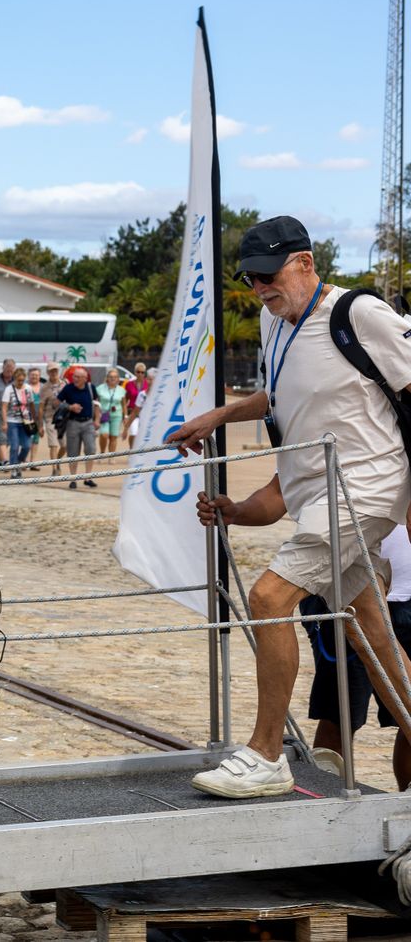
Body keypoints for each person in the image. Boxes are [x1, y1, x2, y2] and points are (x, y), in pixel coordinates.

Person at [175, 214, 411, 798]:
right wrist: (220, 415)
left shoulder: (360, 313)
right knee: (369, 631)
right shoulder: (272, 321)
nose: (259, 288)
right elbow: (280, 394)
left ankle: (265, 755)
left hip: (366, 486)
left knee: (269, 597)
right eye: (250, 279)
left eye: (268, 275)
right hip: (314, 494)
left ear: (305, 262)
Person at [297, 520, 411, 790]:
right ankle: (328, 800)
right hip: (345, 595)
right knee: (339, 713)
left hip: (405, 598)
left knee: (407, 712)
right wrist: (236, 511)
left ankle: (406, 804)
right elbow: (274, 500)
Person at [58, 366, 97, 489]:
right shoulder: (68, 388)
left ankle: (88, 477)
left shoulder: (91, 388)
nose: (75, 379)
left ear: (85, 378)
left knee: (91, 449)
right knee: (73, 452)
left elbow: (97, 404)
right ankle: (73, 478)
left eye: (78, 377)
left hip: (88, 423)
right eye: (74, 376)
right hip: (72, 423)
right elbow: (56, 402)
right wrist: (70, 407)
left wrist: (97, 419)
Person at [2, 367, 37, 478]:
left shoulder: (28, 388)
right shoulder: (9, 389)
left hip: (26, 421)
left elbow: (31, 404)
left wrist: (34, 419)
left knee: (27, 446)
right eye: (18, 380)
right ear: (15, 379)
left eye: (22, 380)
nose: (20, 382)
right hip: (12, 421)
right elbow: (4, 407)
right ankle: (14, 469)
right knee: (14, 446)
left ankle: (18, 462)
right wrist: (4, 422)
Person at [96, 368, 127, 456]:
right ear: (107, 378)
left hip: (116, 414)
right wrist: (96, 415)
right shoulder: (100, 388)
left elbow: (124, 404)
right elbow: (96, 403)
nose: (113, 379)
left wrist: (125, 416)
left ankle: (111, 456)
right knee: (104, 434)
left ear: (118, 379)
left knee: (113, 436)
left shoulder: (121, 390)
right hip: (104, 414)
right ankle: (102, 453)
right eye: (111, 377)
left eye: (115, 377)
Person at [41, 364, 65, 462]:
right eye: (51, 371)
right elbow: (41, 407)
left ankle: (57, 461)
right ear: (48, 373)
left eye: (55, 370)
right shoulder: (44, 388)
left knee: (65, 446)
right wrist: (40, 425)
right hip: (50, 418)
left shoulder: (64, 384)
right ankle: (54, 467)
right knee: (53, 445)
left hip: (63, 418)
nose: (54, 373)